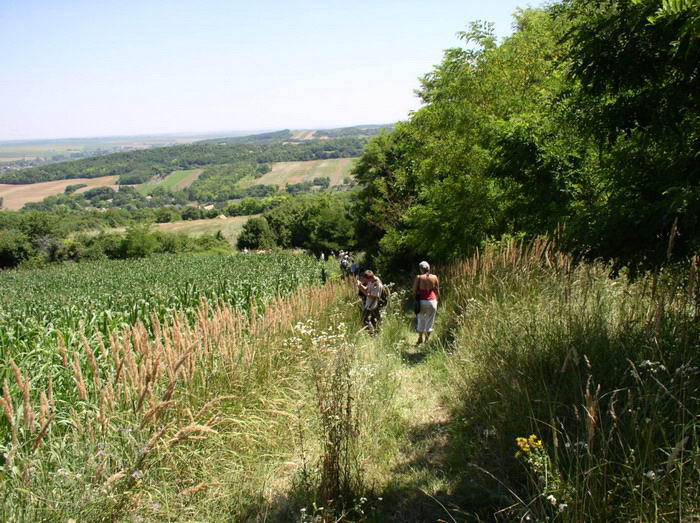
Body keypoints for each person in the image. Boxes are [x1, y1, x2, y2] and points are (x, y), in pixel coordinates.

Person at [412, 261, 439, 345]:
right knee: (430, 320)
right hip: (432, 301)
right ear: (429, 268)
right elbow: (437, 290)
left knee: (421, 320)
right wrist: (437, 300)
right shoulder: (434, 277)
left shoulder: (419, 277)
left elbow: (414, 290)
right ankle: (427, 340)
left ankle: (420, 338)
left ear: (421, 269)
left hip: (422, 301)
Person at [358, 270, 383, 335]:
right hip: (368, 304)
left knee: (367, 319)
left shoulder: (377, 284)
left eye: (366, 280)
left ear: (370, 278)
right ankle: (374, 333)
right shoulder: (371, 281)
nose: (366, 281)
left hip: (373, 305)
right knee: (372, 319)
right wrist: (360, 286)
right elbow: (366, 289)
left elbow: (372, 296)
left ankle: (373, 333)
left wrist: (363, 290)